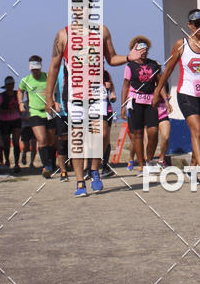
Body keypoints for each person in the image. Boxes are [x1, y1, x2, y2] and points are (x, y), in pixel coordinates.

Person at [45, 24, 140, 197]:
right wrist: (49, 96)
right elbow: (54, 66)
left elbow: (111, 58)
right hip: (74, 94)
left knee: (102, 133)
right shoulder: (63, 35)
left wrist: (128, 57)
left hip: (97, 92)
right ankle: (80, 181)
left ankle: (94, 169)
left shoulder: (102, 31)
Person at [152, 10, 200, 173]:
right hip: (187, 94)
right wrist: (157, 92)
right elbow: (168, 70)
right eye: (197, 24)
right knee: (197, 130)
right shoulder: (181, 44)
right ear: (189, 25)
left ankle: (192, 168)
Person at [120, 38, 161, 173]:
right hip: (135, 101)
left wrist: (164, 99)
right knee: (137, 134)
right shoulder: (130, 66)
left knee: (153, 131)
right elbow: (125, 85)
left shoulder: (153, 64)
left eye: (145, 50)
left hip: (150, 101)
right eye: (141, 50)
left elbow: (159, 83)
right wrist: (122, 106)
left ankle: (149, 159)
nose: (143, 52)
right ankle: (141, 164)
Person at [18, 57, 56, 179]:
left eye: (37, 69)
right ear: (30, 68)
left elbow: (55, 89)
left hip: (49, 112)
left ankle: (51, 162)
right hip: (35, 112)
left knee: (51, 140)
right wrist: (20, 103)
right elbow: (20, 91)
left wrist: (55, 101)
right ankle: (46, 167)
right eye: (33, 69)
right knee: (41, 139)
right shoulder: (26, 80)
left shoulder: (47, 77)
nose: (35, 71)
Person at [0, 76, 22, 173]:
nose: (10, 86)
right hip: (5, 120)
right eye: (8, 84)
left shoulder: (17, 94)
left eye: (11, 84)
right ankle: (7, 161)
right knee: (6, 143)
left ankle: (16, 163)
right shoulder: (0, 96)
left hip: (16, 119)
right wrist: (7, 111)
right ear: (6, 85)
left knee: (16, 142)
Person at [156, 80, 173, 167]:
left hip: (163, 112)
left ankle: (161, 159)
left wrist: (167, 99)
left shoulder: (164, 80)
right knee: (150, 138)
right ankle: (147, 161)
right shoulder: (147, 80)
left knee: (166, 137)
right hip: (150, 111)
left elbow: (166, 94)